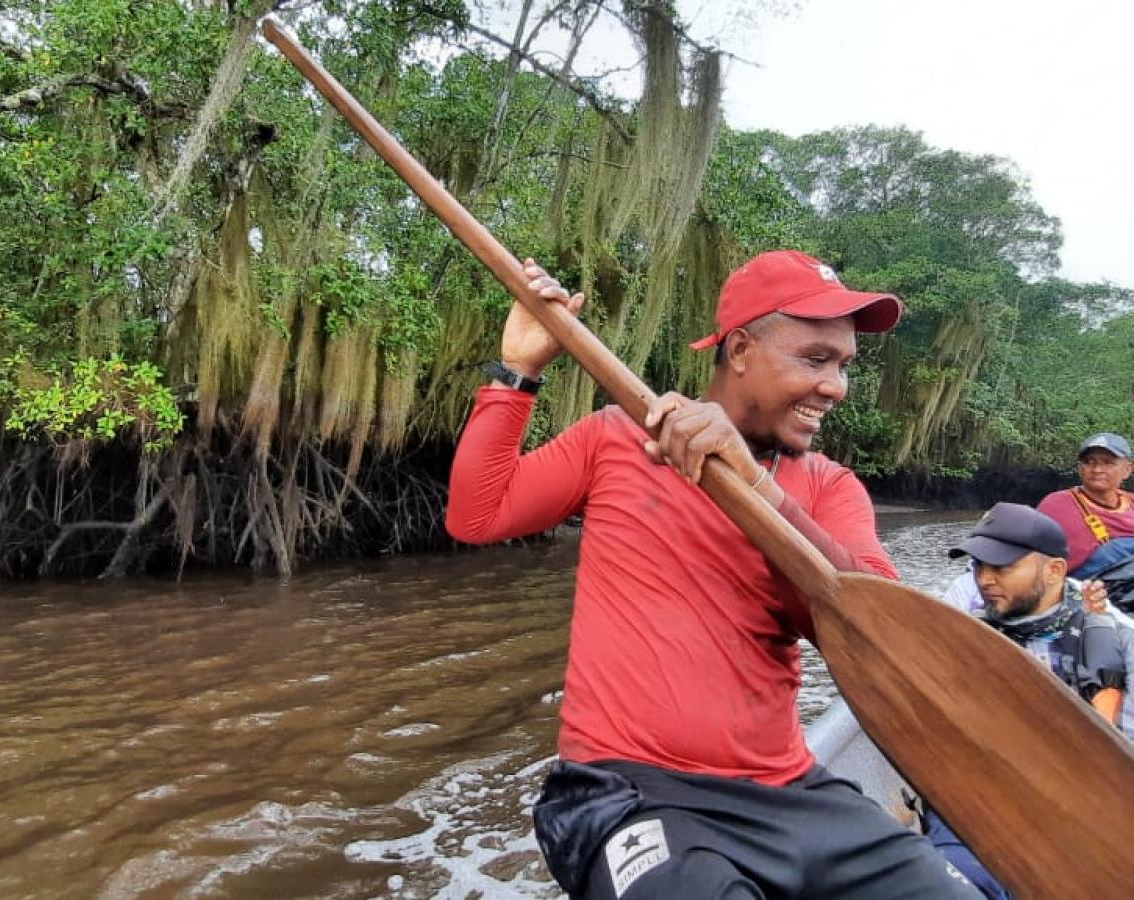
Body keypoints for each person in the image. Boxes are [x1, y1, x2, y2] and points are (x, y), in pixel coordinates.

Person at [446, 250, 977, 898]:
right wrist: (517, 370)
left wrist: (756, 487)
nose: (836, 386)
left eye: (843, 365)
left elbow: (882, 635)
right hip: (631, 792)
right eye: (815, 358)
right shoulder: (618, 437)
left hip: (789, 793)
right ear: (743, 348)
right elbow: (478, 514)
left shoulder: (829, 487)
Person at [924, 501, 1134, 899]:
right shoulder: (966, 635)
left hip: (1089, 810)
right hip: (980, 803)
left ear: (1054, 570)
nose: (985, 580)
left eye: (1001, 567)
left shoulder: (1120, 640)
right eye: (978, 567)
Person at [1036, 432, 1134, 582]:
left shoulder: (1131, 502)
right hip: (1079, 589)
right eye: (1089, 462)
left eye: (1108, 462)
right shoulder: (1056, 504)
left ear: (1127, 470)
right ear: (1079, 467)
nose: (1097, 469)